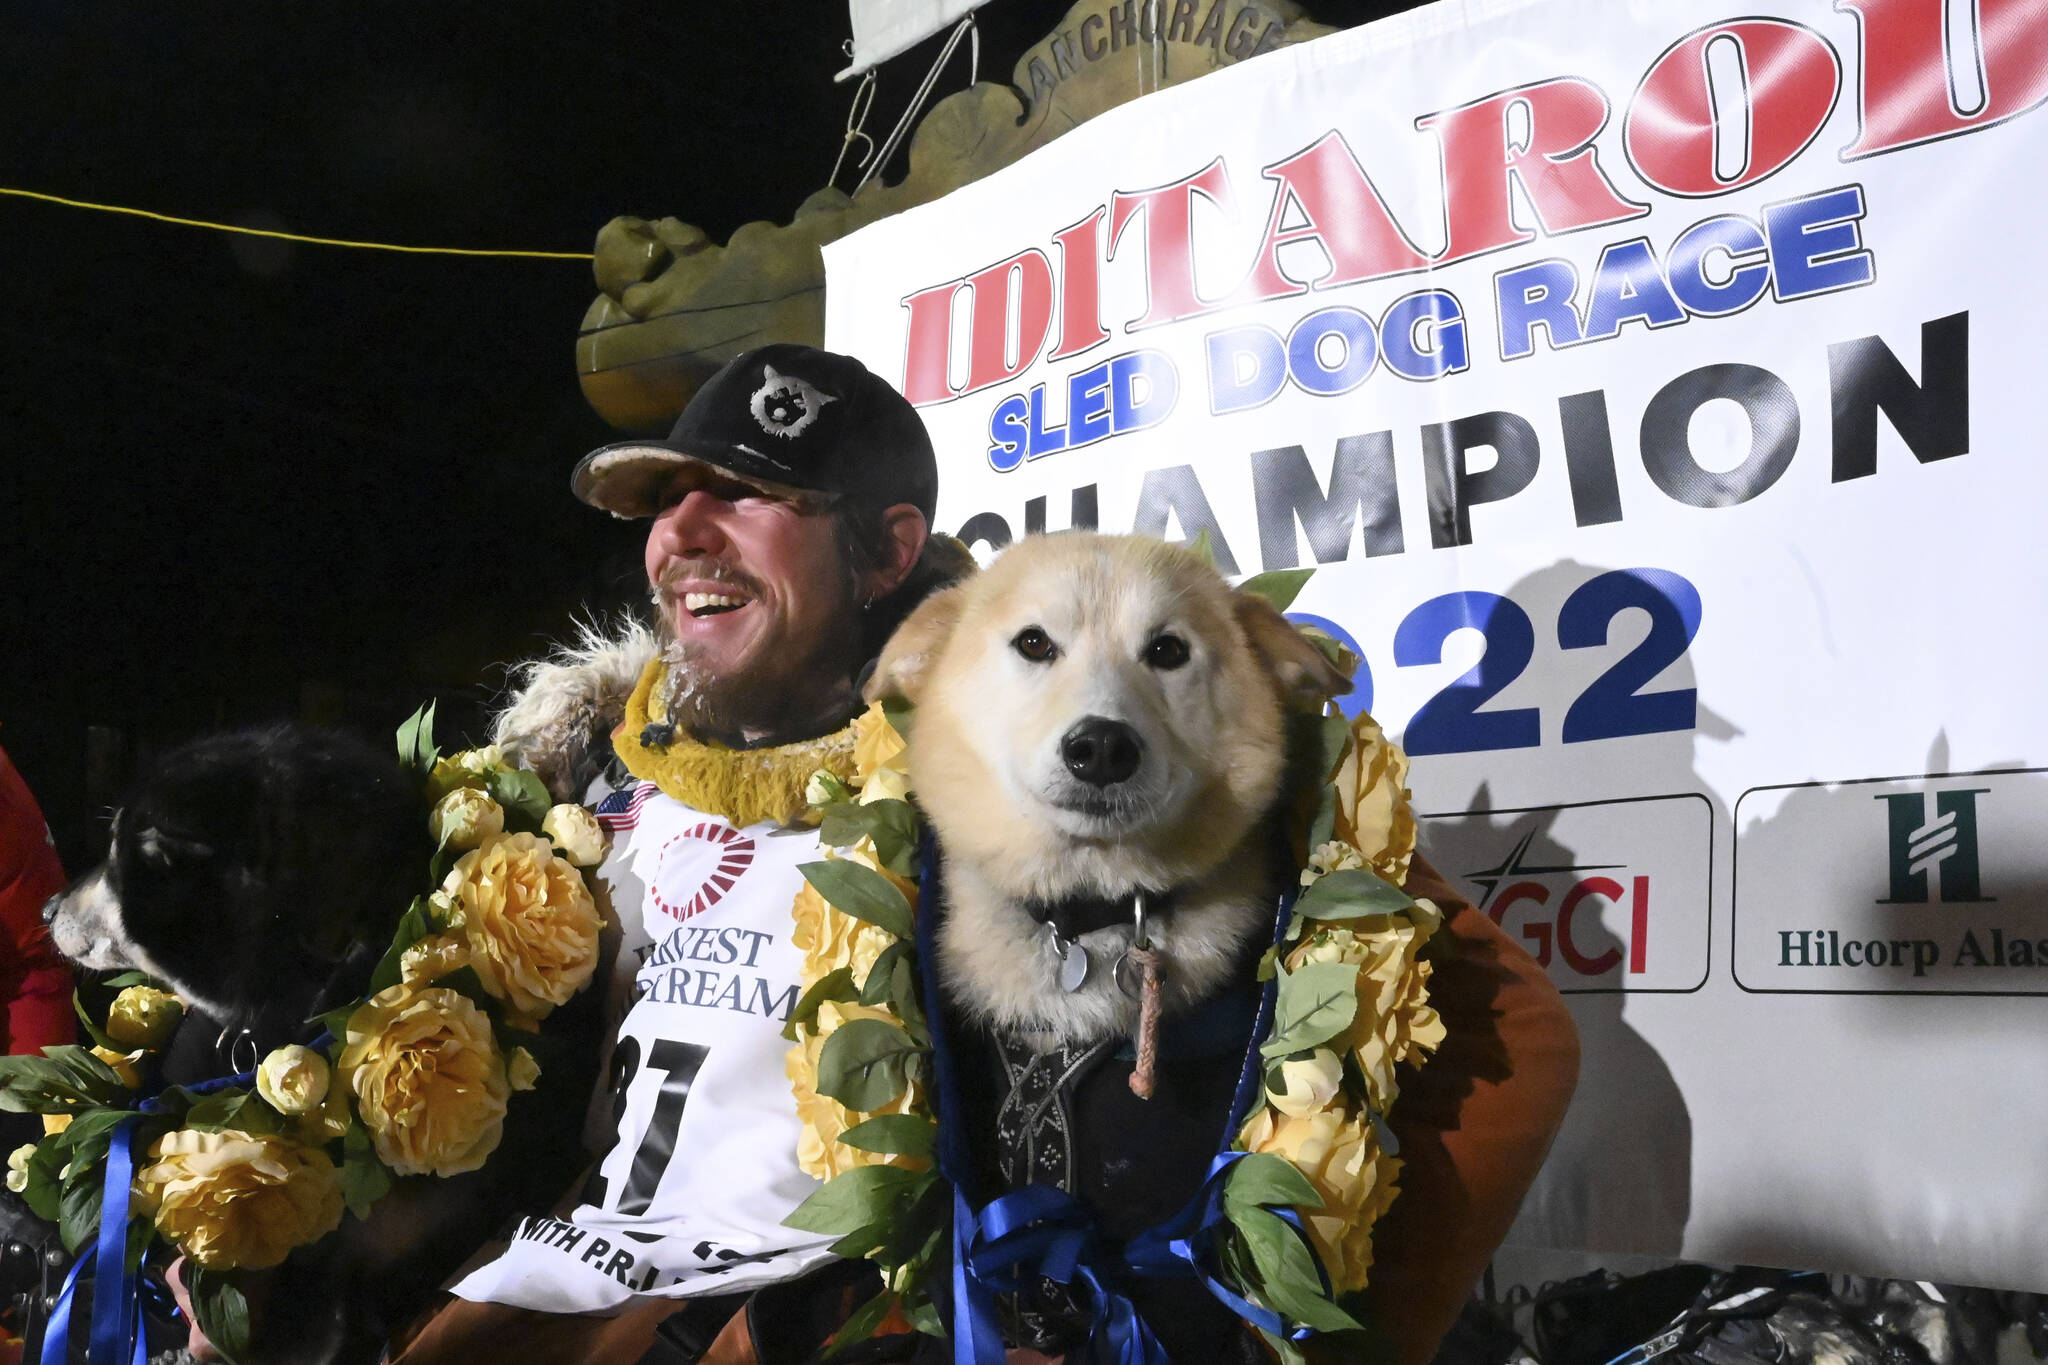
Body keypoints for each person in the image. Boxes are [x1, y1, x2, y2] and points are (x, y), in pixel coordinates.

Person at [388, 344, 1579, 1365]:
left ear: (887, 549)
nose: (684, 535)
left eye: (752, 496)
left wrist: (1313, 1329)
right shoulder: (576, 780)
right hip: (539, 1306)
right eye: (670, 501)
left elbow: (1500, 1036)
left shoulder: (1040, 751)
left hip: (833, 1322)